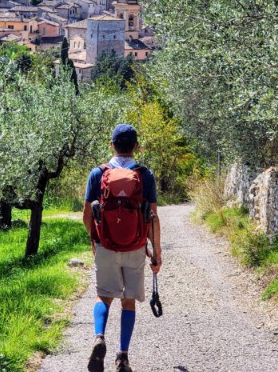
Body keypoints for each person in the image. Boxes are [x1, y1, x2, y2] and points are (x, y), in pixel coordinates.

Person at [82, 124, 161, 372]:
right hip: (135, 247)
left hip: (106, 245)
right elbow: (153, 217)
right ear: (136, 146)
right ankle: (122, 358)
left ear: (111, 145)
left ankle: (99, 338)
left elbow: (86, 215)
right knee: (128, 301)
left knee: (103, 296)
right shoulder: (145, 175)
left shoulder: (98, 174)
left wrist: (96, 240)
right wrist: (155, 252)